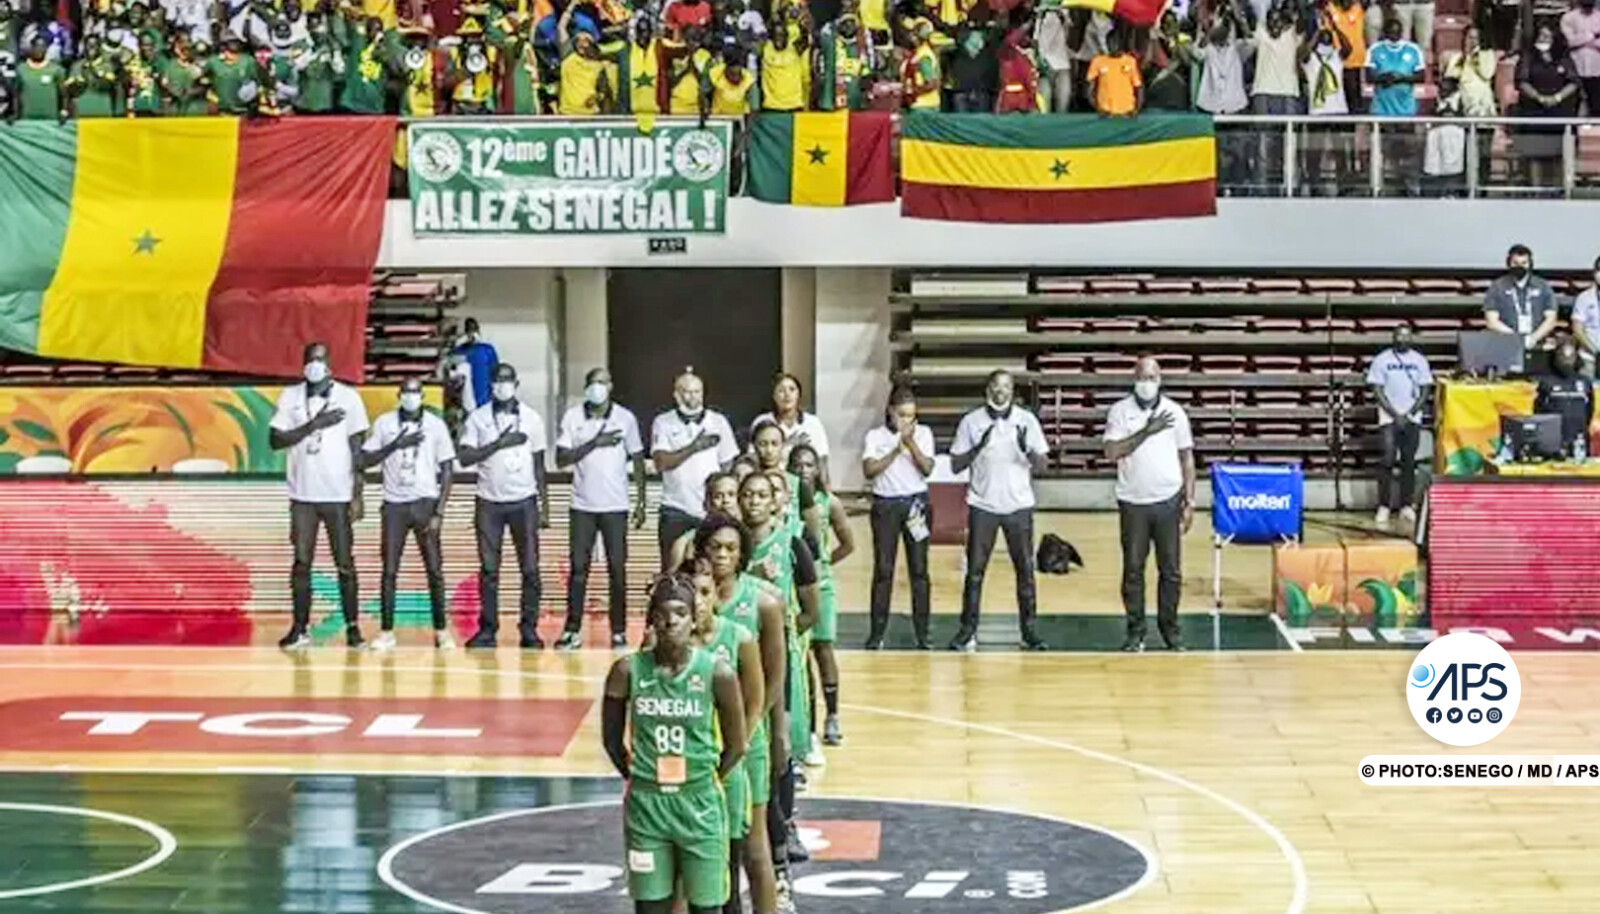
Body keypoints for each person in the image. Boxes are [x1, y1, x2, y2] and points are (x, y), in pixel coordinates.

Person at [601, 574, 747, 914]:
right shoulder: (626, 670)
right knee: (650, 907)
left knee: (707, 907)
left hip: (699, 803)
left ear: (693, 619)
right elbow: (611, 740)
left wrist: (701, 776)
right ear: (651, 618)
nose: (671, 621)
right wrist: (639, 774)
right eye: (663, 613)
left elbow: (737, 746)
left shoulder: (718, 673)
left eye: (680, 612)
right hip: (647, 805)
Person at [697, 513, 786, 914]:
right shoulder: (686, 602)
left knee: (753, 848)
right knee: (707, 850)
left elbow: (772, 680)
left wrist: (747, 736)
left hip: (746, 743)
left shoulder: (764, 602)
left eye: (731, 548)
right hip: (699, 746)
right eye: (715, 547)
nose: (722, 555)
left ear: (743, 554)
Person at [737, 471, 817, 894]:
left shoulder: (792, 543)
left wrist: (784, 638)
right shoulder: (726, 548)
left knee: (779, 750)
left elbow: (811, 609)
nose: (752, 501)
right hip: (731, 665)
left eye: (761, 495)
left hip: (775, 661)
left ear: (776, 502)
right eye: (746, 494)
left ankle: (784, 832)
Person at [270, 342, 371, 650]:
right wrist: (313, 425)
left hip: (337, 494)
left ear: (329, 364)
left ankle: (353, 628)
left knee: (344, 562)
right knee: (302, 562)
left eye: (319, 360)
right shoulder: (291, 397)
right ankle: (300, 628)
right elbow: (275, 439)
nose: (314, 365)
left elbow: (358, 448)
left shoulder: (348, 397)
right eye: (309, 360)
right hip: (303, 495)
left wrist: (357, 493)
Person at [948, 370, 1049, 652]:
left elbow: (1043, 465)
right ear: (988, 389)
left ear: (1012, 390)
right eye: (996, 385)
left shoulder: (1027, 421)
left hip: (1019, 506)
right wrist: (977, 448)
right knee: (975, 572)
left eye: (1006, 386)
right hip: (983, 505)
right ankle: (967, 630)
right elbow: (956, 464)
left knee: (1025, 570)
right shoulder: (971, 421)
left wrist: (1025, 449)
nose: (1000, 391)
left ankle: (1029, 631)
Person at [688, 561, 767, 914]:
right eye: (690, 593)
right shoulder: (657, 647)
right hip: (678, 777)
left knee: (729, 875)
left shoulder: (738, 637)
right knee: (680, 885)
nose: (698, 602)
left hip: (723, 770)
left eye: (705, 593)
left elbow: (755, 702)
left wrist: (732, 756)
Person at [1103, 356, 1195, 653]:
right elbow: (1111, 452)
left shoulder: (1175, 412)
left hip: (1168, 500)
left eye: (1153, 377)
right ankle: (1135, 631)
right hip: (1133, 502)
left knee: (1171, 571)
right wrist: (1147, 431)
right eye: (1143, 376)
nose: (1148, 382)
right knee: (1133, 569)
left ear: (1160, 379)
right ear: (1134, 379)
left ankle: (1171, 631)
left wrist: (1190, 499)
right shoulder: (1120, 412)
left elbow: (1187, 458)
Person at [457, 363, 549, 649]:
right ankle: (487, 630)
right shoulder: (478, 418)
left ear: (516, 384)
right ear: (491, 385)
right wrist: (498, 444)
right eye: (497, 381)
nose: (502, 385)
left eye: (507, 380)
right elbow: (465, 457)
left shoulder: (532, 418)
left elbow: (539, 464)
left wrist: (544, 504)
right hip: (489, 502)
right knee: (488, 570)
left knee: (531, 568)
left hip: (525, 501)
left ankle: (529, 629)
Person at [555, 367, 647, 651]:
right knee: (578, 570)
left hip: (616, 506)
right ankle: (572, 630)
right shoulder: (573, 417)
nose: (598, 387)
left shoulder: (625, 418)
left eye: (602, 382)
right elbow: (561, 459)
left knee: (617, 570)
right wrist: (594, 442)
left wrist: (641, 499)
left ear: (611, 386)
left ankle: (618, 631)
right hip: (581, 506)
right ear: (586, 387)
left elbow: (638, 458)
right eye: (592, 383)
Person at [362, 378, 457, 650]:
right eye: (406, 392)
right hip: (394, 506)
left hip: (426, 503)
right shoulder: (384, 423)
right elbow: (364, 460)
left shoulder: (436, 425)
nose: (410, 396)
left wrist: (439, 511)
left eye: (415, 392)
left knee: (435, 570)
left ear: (423, 395)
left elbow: (448, 469)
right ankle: (386, 632)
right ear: (398, 394)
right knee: (389, 570)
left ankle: (441, 630)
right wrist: (395, 444)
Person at [862, 385, 934, 649]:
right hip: (886, 504)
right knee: (884, 569)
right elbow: (869, 470)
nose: (907, 421)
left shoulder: (923, 434)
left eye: (911, 416)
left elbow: (927, 468)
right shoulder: (876, 436)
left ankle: (923, 633)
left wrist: (911, 443)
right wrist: (895, 449)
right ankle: (877, 632)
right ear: (891, 412)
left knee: (919, 570)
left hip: (917, 503)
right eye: (902, 415)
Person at [789, 443, 853, 746]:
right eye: (798, 465)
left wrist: (821, 564)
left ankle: (833, 716)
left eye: (809, 464)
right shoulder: (785, 501)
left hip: (821, 585)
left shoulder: (829, 503)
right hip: (793, 586)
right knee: (800, 659)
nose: (803, 470)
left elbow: (848, 544)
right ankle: (809, 726)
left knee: (823, 649)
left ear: (818, 468)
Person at [651, 369, 739, 569]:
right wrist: (694, 447)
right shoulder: (663, 422)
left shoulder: (718, 421)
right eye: (687, 392)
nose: (693, 397)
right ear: (676, 394)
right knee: (672, 569)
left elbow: (727, 465)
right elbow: (661, 462)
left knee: (711, 567)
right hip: (676, 509)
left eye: (697, 391)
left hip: (711, 511)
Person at [1367, 326, 1433, 527]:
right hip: (1388, 418)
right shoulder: (1382, 360)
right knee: (1387, 460)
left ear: (1411, 338)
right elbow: (1377, 390)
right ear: (1393, 338)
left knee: (1408, 461)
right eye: (1399, 335)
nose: (1402, 339)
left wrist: (1410, 413)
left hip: (1412, 417)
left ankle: (1406, 505)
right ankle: (1384, 506)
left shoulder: (1419, 361)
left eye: (1406, 336)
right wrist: (1395, 414)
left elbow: (1425, 390)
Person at [1514, 24, 1581, 189]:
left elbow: (1573, 82)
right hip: (1534, 112)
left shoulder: (1564, 58)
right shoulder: (1528, 57)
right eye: (1540, 36)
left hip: (1560, 112)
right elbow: (1522, 81)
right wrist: (1539, 97)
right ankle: (1536, 190)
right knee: (1536, 154)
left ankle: (1560, 191)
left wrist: (1557, 97)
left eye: (1546, 36)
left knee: (1559, 154)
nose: (1542, 40)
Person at [751, 373, 831, 482]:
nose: (787, 395)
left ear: (798, 394)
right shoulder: (762, 421)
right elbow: (752, 458)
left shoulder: (813, 423)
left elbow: (822, 461)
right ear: (774, 396)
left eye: (792, 389)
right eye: (781, 391)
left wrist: (827, 490)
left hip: (806, 482)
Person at [1483, 244, 1559, 350]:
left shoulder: (1543, 286)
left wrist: (1534, 338)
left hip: (1537, 340)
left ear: (1530, 264)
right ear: (1509, 263)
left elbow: (1551, 320)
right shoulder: (1497, 287)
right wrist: (1516, 339)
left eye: (1524, 263)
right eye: (1516, 263)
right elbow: (1492, 322)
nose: (1520, 267)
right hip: (1506, 341)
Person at [1536, 336, 1593, 458]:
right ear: (1556, 358)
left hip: (1579, 442)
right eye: (1563, 356)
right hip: (1553, 443)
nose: (1567, 361)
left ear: (1576, 359)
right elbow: (1538, 412)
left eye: (1570, 357)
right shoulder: (1546, 383)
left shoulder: (1585, 382)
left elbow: (1589, 412)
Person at [1087, 26, 1141, 115]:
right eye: (1110, 43)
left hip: (1127, 112)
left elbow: (1138, 87)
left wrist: (1137, 109)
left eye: (1116, 42)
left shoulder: (1130, 61)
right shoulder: (1098, 61)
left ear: (1121, 43)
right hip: (1106, 112)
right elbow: (1089, 88)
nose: (1113, 46)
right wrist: (1097, 108)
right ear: (1106, 43)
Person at [451, 318, 498, 412]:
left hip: (485, 399)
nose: (472, 335)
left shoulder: (487, 350)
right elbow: (453, 372)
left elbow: (495, 371)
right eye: (469, 331)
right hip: (467, 402)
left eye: (474, 330)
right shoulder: (459, 351)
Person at [1563, 0, 1600, 113]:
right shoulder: (1568, 18)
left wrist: (1581, 39)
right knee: (1573, 107)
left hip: (1597, 71)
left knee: (1596, 107)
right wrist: (1593, 35)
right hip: (1575, 70)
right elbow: (1570, 42)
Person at [1568, 254, 1600, 375]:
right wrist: (1595, 351)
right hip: (1589, 358)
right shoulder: (1584, 298)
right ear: (1594, 273)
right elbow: (1577, 329)